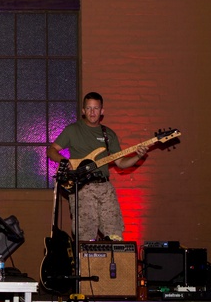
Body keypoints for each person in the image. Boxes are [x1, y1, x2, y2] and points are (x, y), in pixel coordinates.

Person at [47, 92, 148, 242]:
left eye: (96, 108)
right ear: (83, 111)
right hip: (82, 188)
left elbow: (121, 163)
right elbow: (51, 150)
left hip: (105, 187)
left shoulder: (109, 135)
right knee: (85, 237)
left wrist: (138, 156)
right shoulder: (72, 130)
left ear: (102, 111)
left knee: (115, 234)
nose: (92, 112)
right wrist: (65, 161)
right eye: (89, 108)